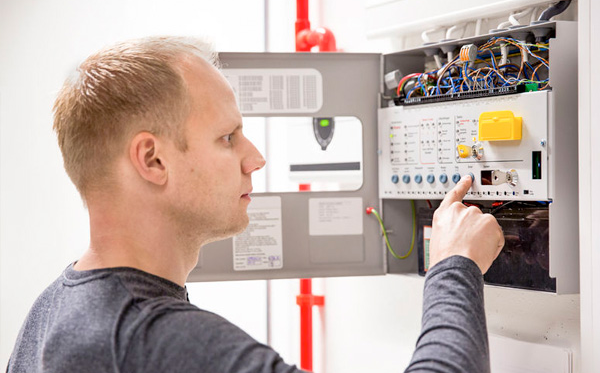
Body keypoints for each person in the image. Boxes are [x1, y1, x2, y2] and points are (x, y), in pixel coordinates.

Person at [6, 37, 504, 373]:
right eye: (227, 137)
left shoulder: (54, 310)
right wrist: (454, 267)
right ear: (153, 159)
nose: (256, 158)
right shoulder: (159, 341)